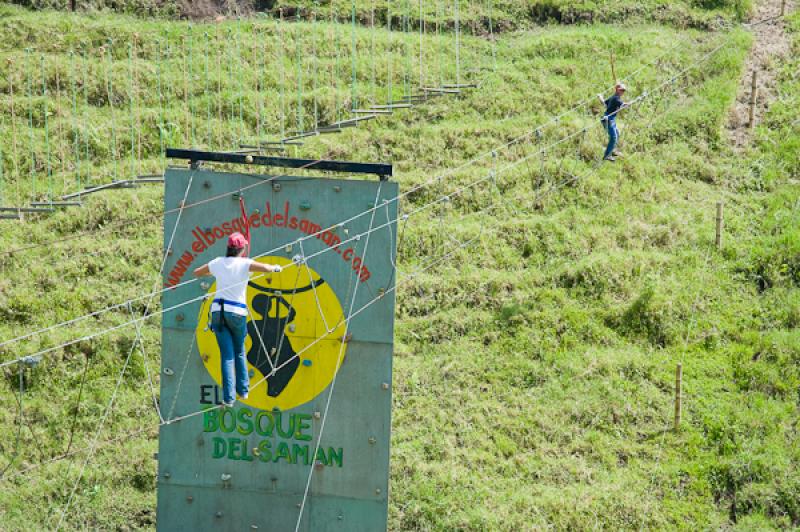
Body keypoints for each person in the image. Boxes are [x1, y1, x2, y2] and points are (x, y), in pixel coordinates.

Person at [193, 232, 282, 406]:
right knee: (239, 351)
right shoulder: (245, 263)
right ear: (242, 249)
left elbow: (197, 272)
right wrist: (276, 268)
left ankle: (228, 398)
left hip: (218, 312)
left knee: (227, 356)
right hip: (236, 313)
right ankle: (243, 390)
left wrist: (215, 272)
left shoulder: (217, 262)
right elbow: (266, 268)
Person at [598, 83, 628, 162]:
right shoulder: (616, 99)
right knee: (614, 137)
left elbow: (604, 103)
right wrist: (627, 104)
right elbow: (622, 104)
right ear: (617, 90)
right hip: (608, 120)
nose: (622, 92)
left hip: (610, 119)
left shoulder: (613, 97)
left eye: (623, 91)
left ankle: (612, 150)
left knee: (617, 134)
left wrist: (600, 97)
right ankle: (607, 155)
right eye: (621, 90)